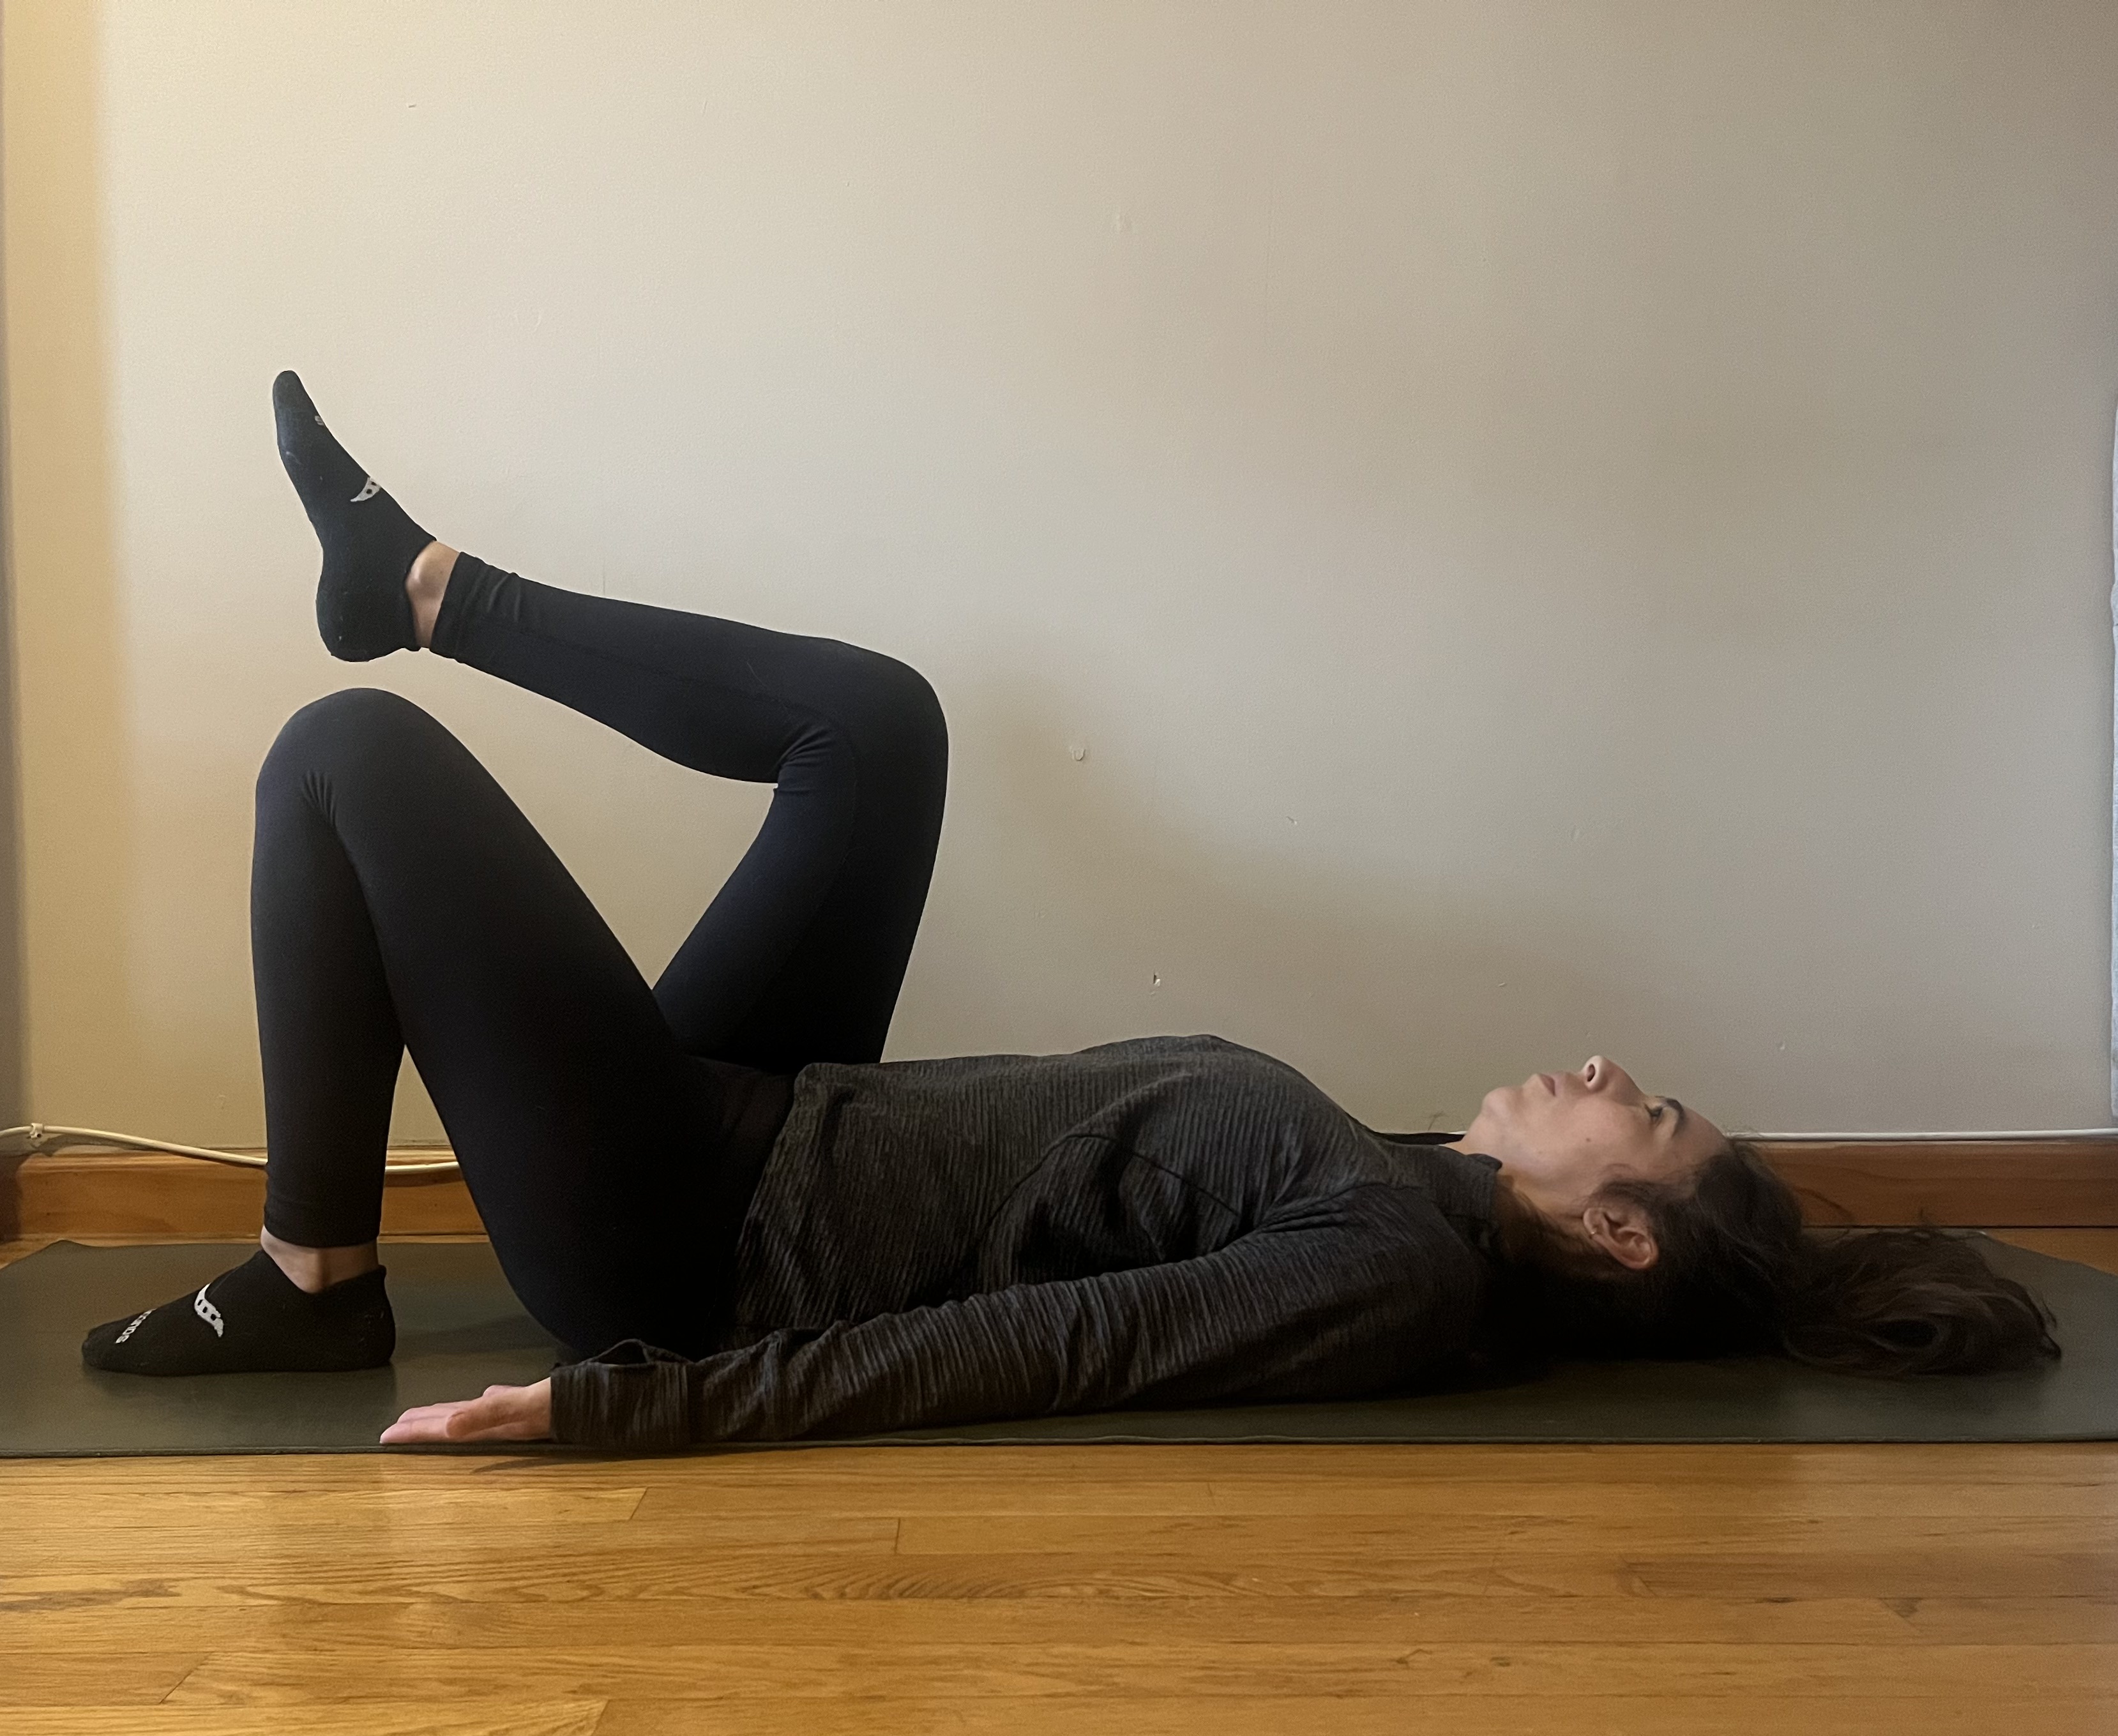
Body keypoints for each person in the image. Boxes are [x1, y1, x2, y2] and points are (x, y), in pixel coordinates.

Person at [80, 376, 2060, 1449]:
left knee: (341, 767)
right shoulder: (1400, 1197)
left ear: (1622, 1230)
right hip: (786, 1118)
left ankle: (308, 1281)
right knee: (884, 730)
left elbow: (1046, 1350)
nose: (1618, 1070)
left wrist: (634, 1406)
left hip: (698, 1239)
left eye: (1655, 1111)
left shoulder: (1394, 1266)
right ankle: (422, 581)